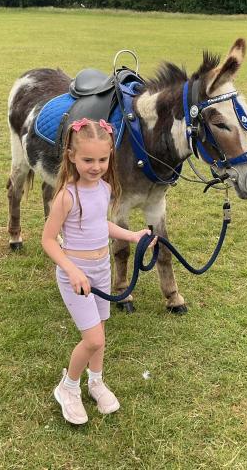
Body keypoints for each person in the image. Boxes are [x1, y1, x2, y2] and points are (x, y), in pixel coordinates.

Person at [42, 117, 155, 424]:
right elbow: (48, 240)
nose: (96, 166)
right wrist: (71, 270)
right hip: (76, 276)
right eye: (88, 160)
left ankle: (96, 381)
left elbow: (99, 224)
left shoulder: (104, 189)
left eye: (103, 160)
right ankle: (68, 387)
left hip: (101, 270)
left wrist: (132, 235)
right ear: (72, 157)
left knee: (100, 333)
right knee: (92, 339)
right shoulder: (66, 196)